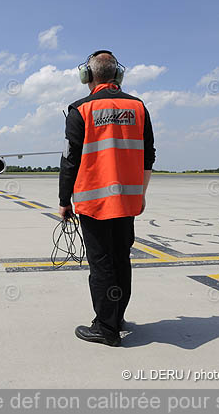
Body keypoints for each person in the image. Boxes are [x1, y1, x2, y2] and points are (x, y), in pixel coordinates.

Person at [59, 50, 156, 347]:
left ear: (86, 76)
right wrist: (140, 195)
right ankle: (116, 315)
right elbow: (148, 156)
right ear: (118, 75)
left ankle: (106, 329)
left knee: (101, 266)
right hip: (127, 203)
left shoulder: (80, 109)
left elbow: (70, 160)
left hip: (95, 203)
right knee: (120, 261)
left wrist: (64, 201)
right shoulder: (138, 107)